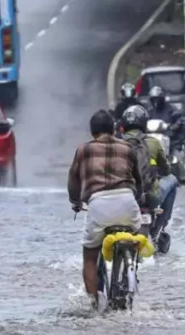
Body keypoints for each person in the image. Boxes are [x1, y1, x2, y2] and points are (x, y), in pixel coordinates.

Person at [68, 109, 144, 307]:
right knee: (136, 239)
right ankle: (131, 269)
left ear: (92, 131)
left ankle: (94, 302)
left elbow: (73, 180)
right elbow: (138, 180)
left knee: (90, 257)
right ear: (114, 129)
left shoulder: (83, 150)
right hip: (128, 202)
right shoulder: (128, 148)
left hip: (99, 205)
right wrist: (136, 198)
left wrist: (75, 201)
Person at [119, 104, 169, 224]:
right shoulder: (153, 142)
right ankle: (162, 222)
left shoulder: (116, 144)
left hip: (122, 197)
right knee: (172, 180)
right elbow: (166, 170)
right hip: (149, 197)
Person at [147, 85, 184, 151]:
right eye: (154, 99)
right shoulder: (150, 111)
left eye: (157, 99)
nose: (156, 101)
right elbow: (144, 121)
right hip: (154, 138)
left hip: (171, 140)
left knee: (176, 156)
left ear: (162, 98)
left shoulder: (171, 109)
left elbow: (179, 119)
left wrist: (174, 126)